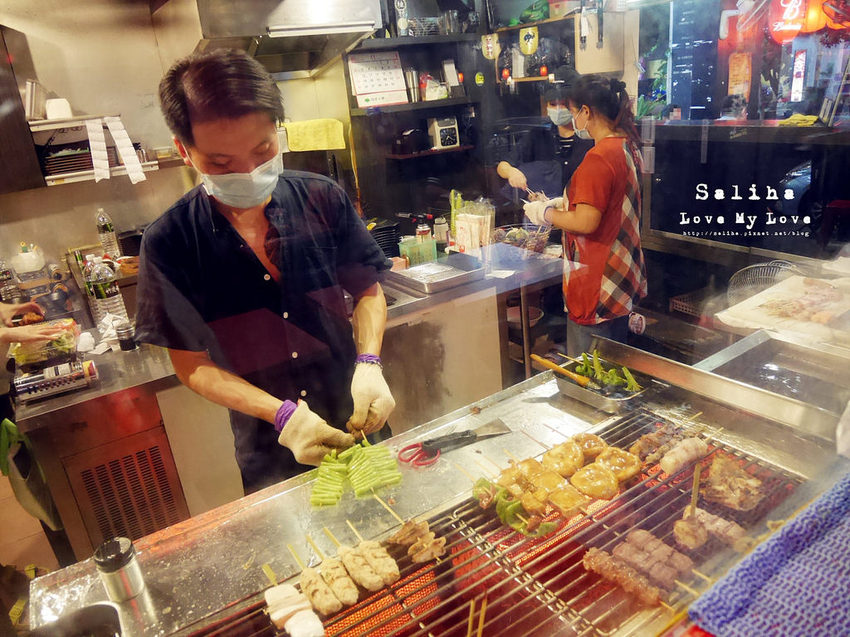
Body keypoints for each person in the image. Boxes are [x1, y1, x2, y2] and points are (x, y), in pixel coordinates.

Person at [135, 49, 395, 494]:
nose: (249, 172)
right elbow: (192, 365)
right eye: (221, 163)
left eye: (263, 150)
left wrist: (369, 362)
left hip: (358, 422)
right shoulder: (170, 242)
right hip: (274, 450)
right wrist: (282, 415)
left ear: (278, 131)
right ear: (184, 150)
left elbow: (368, 290)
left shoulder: (322, 198)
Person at [523, 75, 647, 357]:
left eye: (573, 109)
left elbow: (587, 222)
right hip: (621, 275)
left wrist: (545, 213)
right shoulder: (626, 147)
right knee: (614, 365)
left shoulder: (598, 157)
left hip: (596, 282)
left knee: (590, 372)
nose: (571, 117)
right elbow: (608, 204)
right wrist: (564, 202)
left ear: (586, 112)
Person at [496, 73, 594, 200]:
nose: (558, 109)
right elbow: (503, 166)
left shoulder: (589, 138)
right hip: (542, 215)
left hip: (577, 213)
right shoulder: (538, 135)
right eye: (553, 104)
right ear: (546, 106)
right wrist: (512, 172)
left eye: (564, 104)